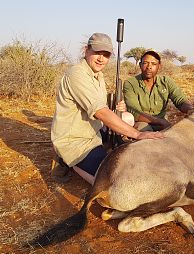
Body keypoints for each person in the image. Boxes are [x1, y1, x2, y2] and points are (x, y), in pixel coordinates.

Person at [51, 34, 163, 185]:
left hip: (94, 132)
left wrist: (117, 108)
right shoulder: (77, 74)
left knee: (127, 119)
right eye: (97, 52)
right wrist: (137, 134)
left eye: (106, 55)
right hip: (76, 141)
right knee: (114, 181)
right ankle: (67, 159)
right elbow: (100, 112)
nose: (101, 59)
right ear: (86, 50)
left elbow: (101, 108)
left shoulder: (98, 75)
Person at [123, 49, 194, 131]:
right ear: (140, 65)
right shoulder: (130, 83)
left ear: (159, 66)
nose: (149, 67)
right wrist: (159, 121)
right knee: (146, 133)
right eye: (145, 63)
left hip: (162, 123)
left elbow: (180, 101)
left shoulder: (166, 81)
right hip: (143, 122)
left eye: (153, 64)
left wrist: (192, 109)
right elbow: (135, 112)